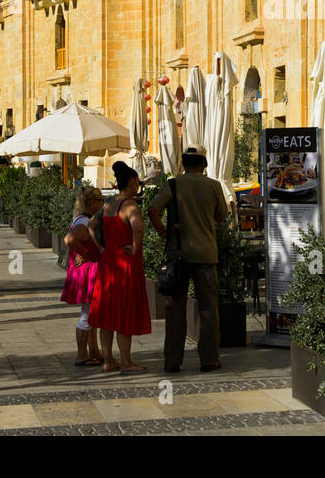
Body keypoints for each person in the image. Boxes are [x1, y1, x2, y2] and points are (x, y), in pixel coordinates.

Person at [146, 147, 229, 373]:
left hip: (179, 254)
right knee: (209, 309)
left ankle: (172, 361)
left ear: (183, 164)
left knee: (175, 310)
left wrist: (163, 231)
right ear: (203, 165)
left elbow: (153, 209)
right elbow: (221, 217)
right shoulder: (213, 185)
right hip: (206, 254)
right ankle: (209, 359)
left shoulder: (173, 185)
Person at [89, 161, 150, 373]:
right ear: (132, 181)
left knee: (107, 314)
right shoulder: (130, 205)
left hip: (108, 264)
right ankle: (126, 362)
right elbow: (138, 225)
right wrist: (134, 246)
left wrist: (101, 247)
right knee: (124, 313)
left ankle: (108, 360)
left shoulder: (108, 204)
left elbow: (91, 225)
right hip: (125, 265)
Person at [62, 184, 104, 366]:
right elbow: (69, 239)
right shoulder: (85, 223)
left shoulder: (81, 219)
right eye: (101, 200)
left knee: (90, 312)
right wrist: (86, 254)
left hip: (84, 271)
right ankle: (81, 354)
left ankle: (93, 350)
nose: (103, 204)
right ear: (92, 202)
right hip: (87, 272)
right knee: (87, 313)